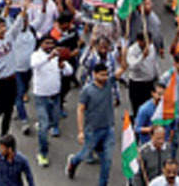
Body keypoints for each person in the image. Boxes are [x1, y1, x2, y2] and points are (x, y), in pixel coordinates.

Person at [66, 62, 117, 184]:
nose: (104, 77)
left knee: (107, 160)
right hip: (92, 130)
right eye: (102, 75)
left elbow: (124, 68)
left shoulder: (109, 83)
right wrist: (80, 131)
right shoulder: (87, 90)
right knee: (85, 154)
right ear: (94, 74)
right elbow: (80, 109)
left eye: (106, 75)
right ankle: (73, 162)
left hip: (108, 128)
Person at [31, 32, 72, 166]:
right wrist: (49, 57)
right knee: (44, 127)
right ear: (41, 44)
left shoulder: (57, 56)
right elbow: (35, 65)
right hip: (41, 96)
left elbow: (69, 72)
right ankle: (43, 154)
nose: (49, 46)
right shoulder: (36, 55)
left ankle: (44, 125)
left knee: (54, 122)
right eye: (46, 43)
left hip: (55, 96)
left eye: (51, 43)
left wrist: (63, 66)